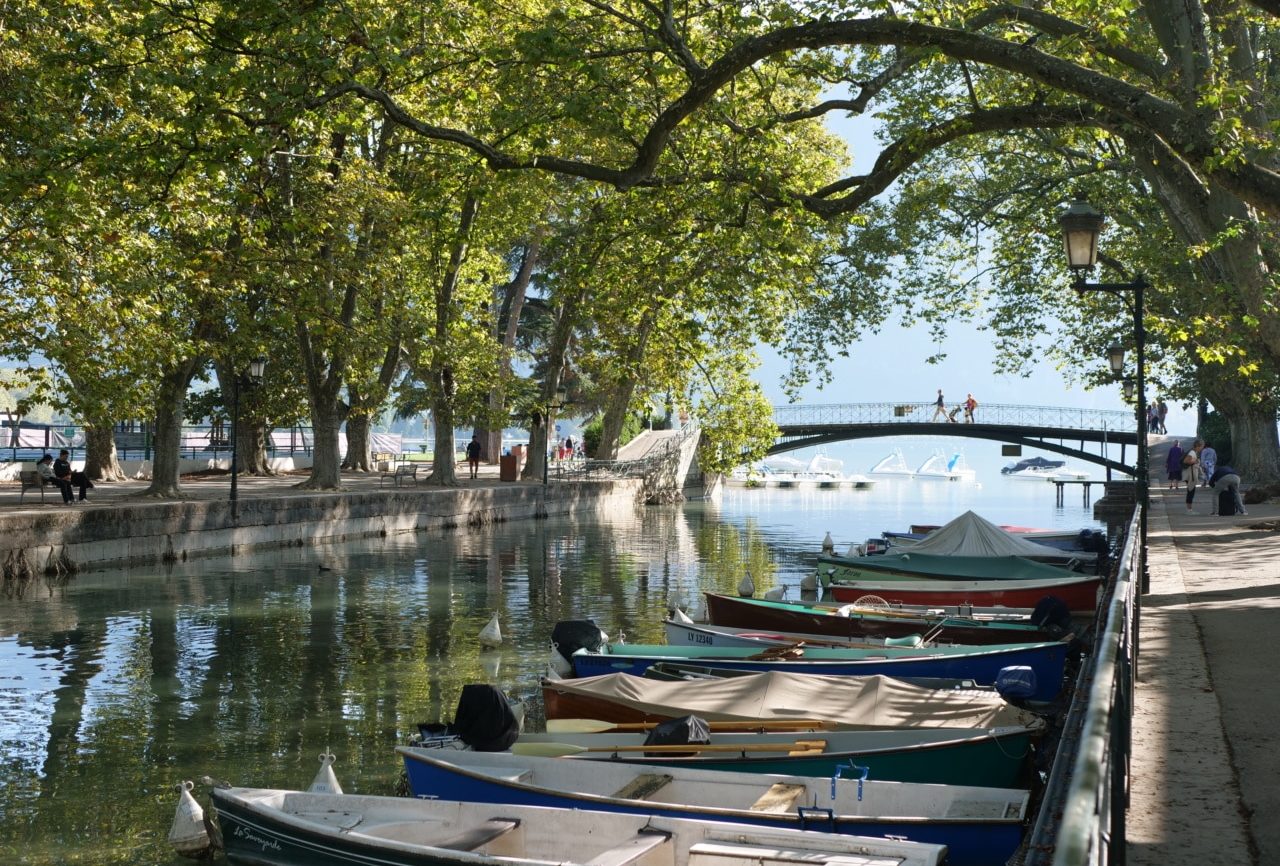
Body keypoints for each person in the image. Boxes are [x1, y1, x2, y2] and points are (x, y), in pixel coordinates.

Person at [1182, 439, 1204, 512]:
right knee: (1191, 491)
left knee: (1191, 490)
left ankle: (1189, 509)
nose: (1202, 448)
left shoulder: (1194, 452)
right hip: (1190, 474)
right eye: (1202, 447)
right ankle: (1189, 509)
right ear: (1198, 446)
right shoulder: (1192, 452)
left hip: (1190, 474)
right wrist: (1195, 461)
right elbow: (1186, 461)